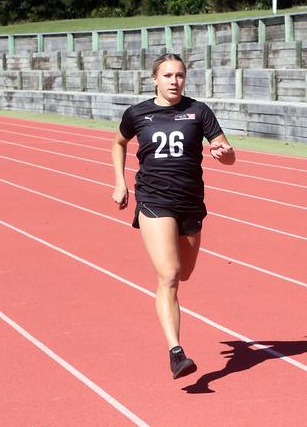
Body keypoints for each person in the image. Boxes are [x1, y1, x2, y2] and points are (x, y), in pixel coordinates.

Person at [111, 53, 235, 379]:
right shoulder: (137, 113)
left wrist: (225, 153)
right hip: (154, 201)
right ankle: (176, 351)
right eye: (168, 75)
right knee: (169, 276)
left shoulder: (198, 112)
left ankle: (174, 340)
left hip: (191, 204)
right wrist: (120, 183)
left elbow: (228, 154)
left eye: (179, 75)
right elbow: (118, 142)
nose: (174, 81)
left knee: (185, 273)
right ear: (155, 79)